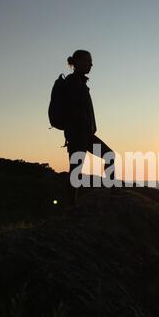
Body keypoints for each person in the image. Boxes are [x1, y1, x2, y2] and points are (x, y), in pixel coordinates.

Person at [64, 50, 115, 205]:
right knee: (77, 170)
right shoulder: (73, 82)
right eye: (88, 61)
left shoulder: (79, 82)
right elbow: (72, 109)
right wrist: (81, 124)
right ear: (78, 62)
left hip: (81, 134)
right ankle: (110, 192)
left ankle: (72, 205)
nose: (91, 64)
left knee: (76, 171)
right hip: (78, 135)